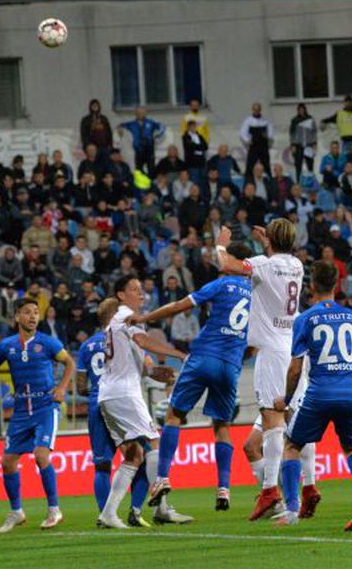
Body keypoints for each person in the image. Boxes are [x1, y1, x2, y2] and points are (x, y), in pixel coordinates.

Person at [128, 242, 253, 512]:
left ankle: (161, 479)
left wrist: (145, 317)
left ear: (232, 260)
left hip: (203, 357)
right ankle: (223, 488)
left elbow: (179, 305)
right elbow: (254, 343)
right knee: (221, 426)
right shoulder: (257, 294)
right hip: (230, 365)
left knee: (174, 416)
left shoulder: (220, 285)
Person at [214, 219, 304, 521]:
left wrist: (221, 242)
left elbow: (225, 264)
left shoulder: (263, 266)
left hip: (271, 350)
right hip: (289, 345)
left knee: (272, 418)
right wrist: (269, 242)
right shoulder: (296, 265)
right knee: (283, 420)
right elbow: (276, 258)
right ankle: (294, 488)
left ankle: (270, 491)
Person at [274, 260, 352, 525]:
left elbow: (295, 369)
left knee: (292, 446)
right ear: (337, 285)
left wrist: (287, 400)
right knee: (351, 447)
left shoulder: (305, 319)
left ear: (312, 286)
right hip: (351, 392)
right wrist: (347, 384)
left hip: (320, 394)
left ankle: (292, 511)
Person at [0, 297, 75, 533]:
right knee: (7, 462)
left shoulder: (48, 343)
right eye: (27, 312)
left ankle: (54, 510)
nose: (33, 316)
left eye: (36, 312)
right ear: (17, 317)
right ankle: (17, 512)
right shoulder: (7, 345)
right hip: (21, 410)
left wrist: (61, 388)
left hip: (45, 407)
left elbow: (69, 363)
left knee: (40, 456)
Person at [94, 277, 188, 529]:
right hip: (124, 393)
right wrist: (179, 353)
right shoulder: (126, 316)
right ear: (121, 295)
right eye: (134, 290)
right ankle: (162, 509)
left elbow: (129, 359)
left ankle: (109, 513)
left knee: (133, 455)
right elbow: (143, 342)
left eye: (142, 290)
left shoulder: (115, 324)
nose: (141, 295)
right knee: (155, 441)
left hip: (109, 394)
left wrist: (153, 372)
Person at [76, 303, 148, 523]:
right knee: (142, 457)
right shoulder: (123, 337)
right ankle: (135, 511)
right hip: (121, 401)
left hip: (97, 404)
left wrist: (97, 389)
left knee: (102, 464)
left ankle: (104, 514)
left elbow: (80, 387)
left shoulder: (86, 346)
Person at [116, 106, 164, 176]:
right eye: (138, 113)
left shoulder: (151, 122)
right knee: (139, 171)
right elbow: (120, 125)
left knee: (151, 170)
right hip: (138, 151)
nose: (140, 114)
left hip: (150, 150)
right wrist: (119, 128)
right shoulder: (131, 124)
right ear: (135, 113)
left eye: (142, 112)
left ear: (145, 113)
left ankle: (150, 185)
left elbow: (162, 127)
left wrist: (158, 135)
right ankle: (141, 185)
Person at [239, 102, 272, 177]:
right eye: (255, 109)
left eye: (258, 109)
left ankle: (270, 182)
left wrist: (268, 136)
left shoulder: (265, 120)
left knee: (266, 165)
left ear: (260, 110)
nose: (256, 111)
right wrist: (247, 140)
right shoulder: (248, 120)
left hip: (263, 145)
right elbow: (242, 132)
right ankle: (247, 182)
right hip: (254, 145)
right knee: (250, 165)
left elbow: (270, 131)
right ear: (252, 110)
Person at [288, 103, 318, 180]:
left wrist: (314, 142)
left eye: (302, 109)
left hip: (309, 145)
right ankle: (299, 183)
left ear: (305, 110)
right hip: (298, 146)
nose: (301, 111)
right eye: (299, 110)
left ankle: (311, 182)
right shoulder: (294, 120)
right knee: (298, 166)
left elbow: (314, 131)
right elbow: (292, 133)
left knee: (310, 166)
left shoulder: (310, 119)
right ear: (298, 111)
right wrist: (292, 144)